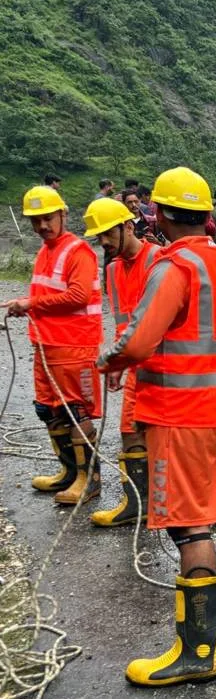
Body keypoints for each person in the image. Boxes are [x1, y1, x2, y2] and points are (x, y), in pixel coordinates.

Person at [96, 167, 216, 686]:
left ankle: (197, 652)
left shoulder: (174, 266)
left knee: (191, 524)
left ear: (161, 214)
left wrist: (106, 361)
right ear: (207, 215)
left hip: (183, 414)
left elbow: (140, 340)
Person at [3, 185, 104, 506]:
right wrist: (28, 305)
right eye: (36, 221)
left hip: (74, 346)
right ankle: (70, 472)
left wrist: (31, 303)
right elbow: (48, 295)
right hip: (47, 345)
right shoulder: (46, 251)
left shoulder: (78, 252)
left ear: (62, 214)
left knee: (76, 411)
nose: (42, 226)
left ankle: (90, 479)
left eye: (47, 218)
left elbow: (78, 296)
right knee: (48, 410)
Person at [83, 197, 160, 527]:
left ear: (128, 227)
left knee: (171, 439)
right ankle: (137, 504)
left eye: (107, 234)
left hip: (166, 365)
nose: (103, 242)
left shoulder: (158, 260)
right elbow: (122, 321)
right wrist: (118, 363)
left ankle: (184, 508)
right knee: (129, 430)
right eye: (98, 237)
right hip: (134, 363)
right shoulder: (113, 271)